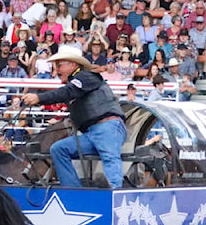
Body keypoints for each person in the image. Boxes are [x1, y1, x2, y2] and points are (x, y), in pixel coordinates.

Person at [20, 45, 126, 188]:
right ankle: (72, 190)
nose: (56, 70)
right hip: (93, 133)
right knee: (58, 149)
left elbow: (66, 92)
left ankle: (116, 194)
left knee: (110, 157)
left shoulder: (85, 76)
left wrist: (39, 97)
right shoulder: (78, 83)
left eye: (59, 65)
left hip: (107, 127)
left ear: (73, 64)